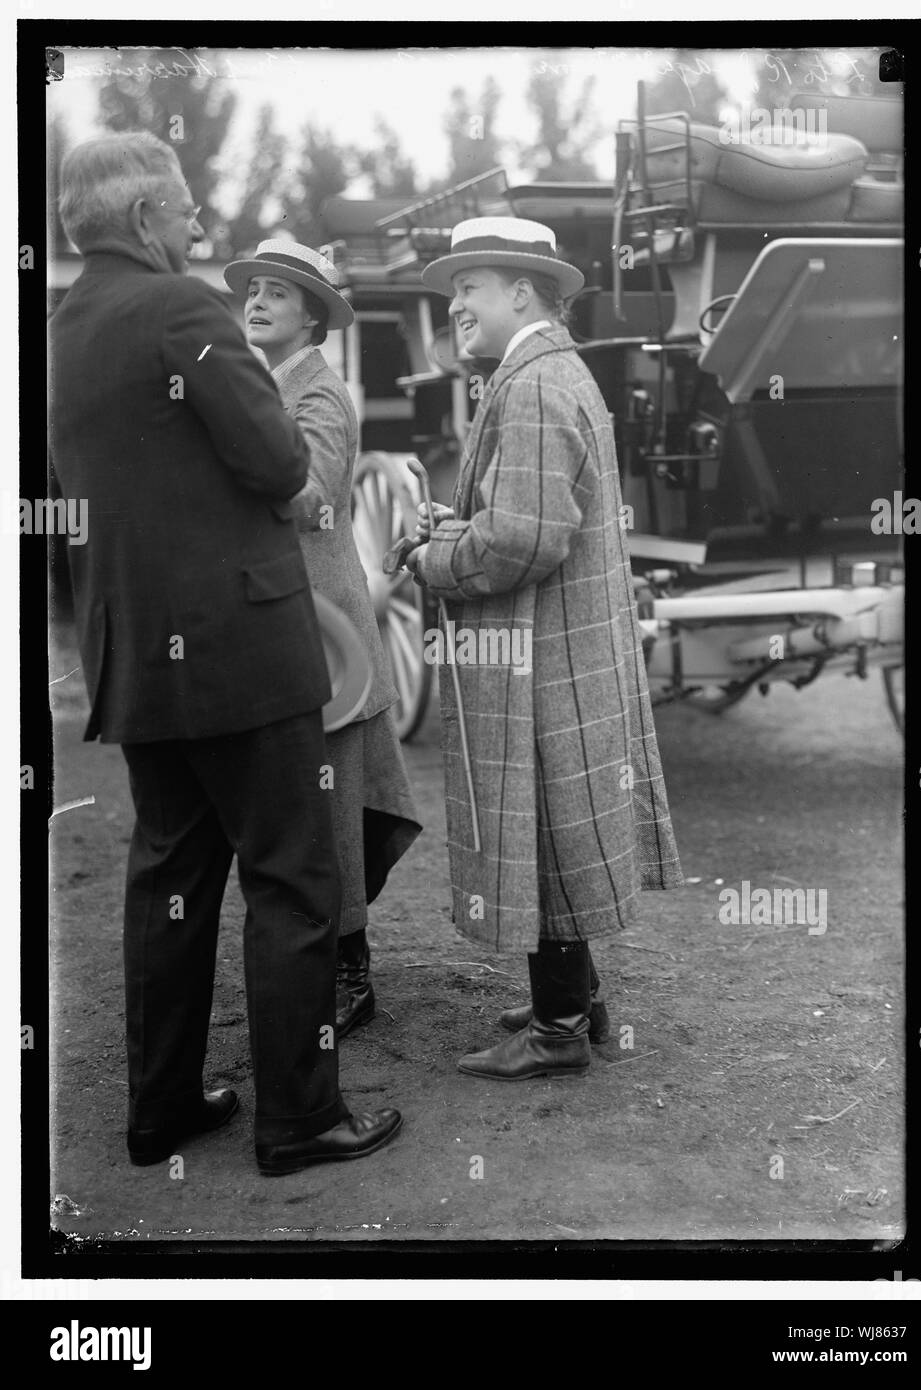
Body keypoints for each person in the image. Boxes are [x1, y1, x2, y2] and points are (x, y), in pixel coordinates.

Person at [49, 131, 401, 1175]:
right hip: (241, 653)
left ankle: (161, 1108)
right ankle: (299, 1120)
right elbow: (278, 455)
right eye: (190, 208)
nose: (200, 223)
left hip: (137, 655)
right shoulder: (182, 306)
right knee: (293, 879)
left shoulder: (61, 323)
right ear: (149, 218)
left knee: (171, 877)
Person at [407, 216, 683, 1080]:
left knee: (544, 830)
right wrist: (462, 526)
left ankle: (558, 1031)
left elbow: (524, 542)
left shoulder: (527, 385)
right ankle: (578, 1004)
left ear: (519, 292)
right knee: (556, 830)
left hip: (545, 652)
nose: (454, 303)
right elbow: (525, 519)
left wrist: (432, 558)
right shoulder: (549, 371)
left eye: (467, 287)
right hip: (563, 645)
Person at [223, 241, 422, 1037]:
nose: (260, 300)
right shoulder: (266, 384)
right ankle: (322, 962)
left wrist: (234, 460)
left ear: (313, 315)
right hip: (286, 616)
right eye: (255, 289)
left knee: (331, 802)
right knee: (303, 798)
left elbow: (309, 500)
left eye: (280, 292)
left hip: (324, 624)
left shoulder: (319, 394)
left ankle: (349, 977)